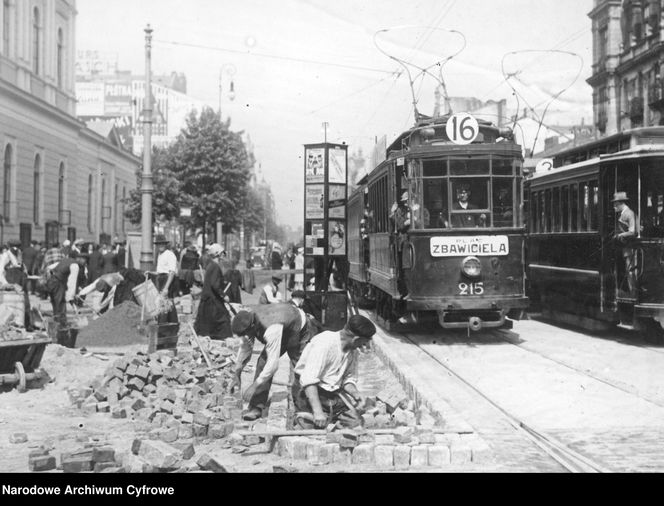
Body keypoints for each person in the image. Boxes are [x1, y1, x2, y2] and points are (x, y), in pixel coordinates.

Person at [230, 303, 321, 421]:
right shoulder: (248, 321)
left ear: (253, 327)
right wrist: (237, 373)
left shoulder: (271, 330)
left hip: (300, 329)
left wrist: (254, 385)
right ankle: (256, 407)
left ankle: (303, 412)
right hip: (283, 328)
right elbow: (245, 348)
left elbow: (273, 365)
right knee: (262, 362)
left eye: (247, 334)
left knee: (301, 370)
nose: (247, 336)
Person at [293, 314, 376, 429]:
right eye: (363, 342)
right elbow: (309, 381)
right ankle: (310, 416)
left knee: (356, 423)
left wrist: (356, 394)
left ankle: (330, 418)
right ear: (356, 339)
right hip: (310, 393)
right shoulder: (324, 343)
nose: (363, 346)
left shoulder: (352, 351)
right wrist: (317, 412)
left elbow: (348, 379)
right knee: (314, 427)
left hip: (332, 394)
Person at [194, 243, 232, 340]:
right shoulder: (215, 267)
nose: (224, 255)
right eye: (222, 253)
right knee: (224, 322)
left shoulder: (210, 265)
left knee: (207, 329)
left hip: (207, 301)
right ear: (217, 254)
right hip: (212, 302)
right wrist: (224, 296)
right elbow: (215, 285)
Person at [45, 253, 87, 330]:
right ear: (80, 259)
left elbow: (49, 268)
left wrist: (49, 277)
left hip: (51, 282)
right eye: (84, 260)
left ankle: (56, 323)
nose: (85, 262)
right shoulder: (75, 266)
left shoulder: (65, 261)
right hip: (58, 283)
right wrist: (71, 296)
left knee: (55, 304)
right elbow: (72, 282)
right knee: (61, 303)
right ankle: (62, 324)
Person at [152, 234, 179, 340]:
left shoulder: (170, 255)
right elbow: (160, 271)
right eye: (158, 244)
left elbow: (171, 272)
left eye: (162, 244)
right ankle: (169, 328)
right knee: (166, 305)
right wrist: (151, 272)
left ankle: (165, 330)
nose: (160, 246)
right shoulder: (160, 255)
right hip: (161, 279)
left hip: (167, 280)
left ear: (165, 244)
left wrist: (167, 287)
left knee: (165, 305)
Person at [612, 192, 638, 296]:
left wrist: (619, 235)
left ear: (620, 203)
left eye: (615, 204)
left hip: (630, 247)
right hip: (626, 247)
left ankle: (633, 294)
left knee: (631, 271)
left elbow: (632, 231)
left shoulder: (629, 213)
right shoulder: (623, 214)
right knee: (628, 271)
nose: (614, 207)